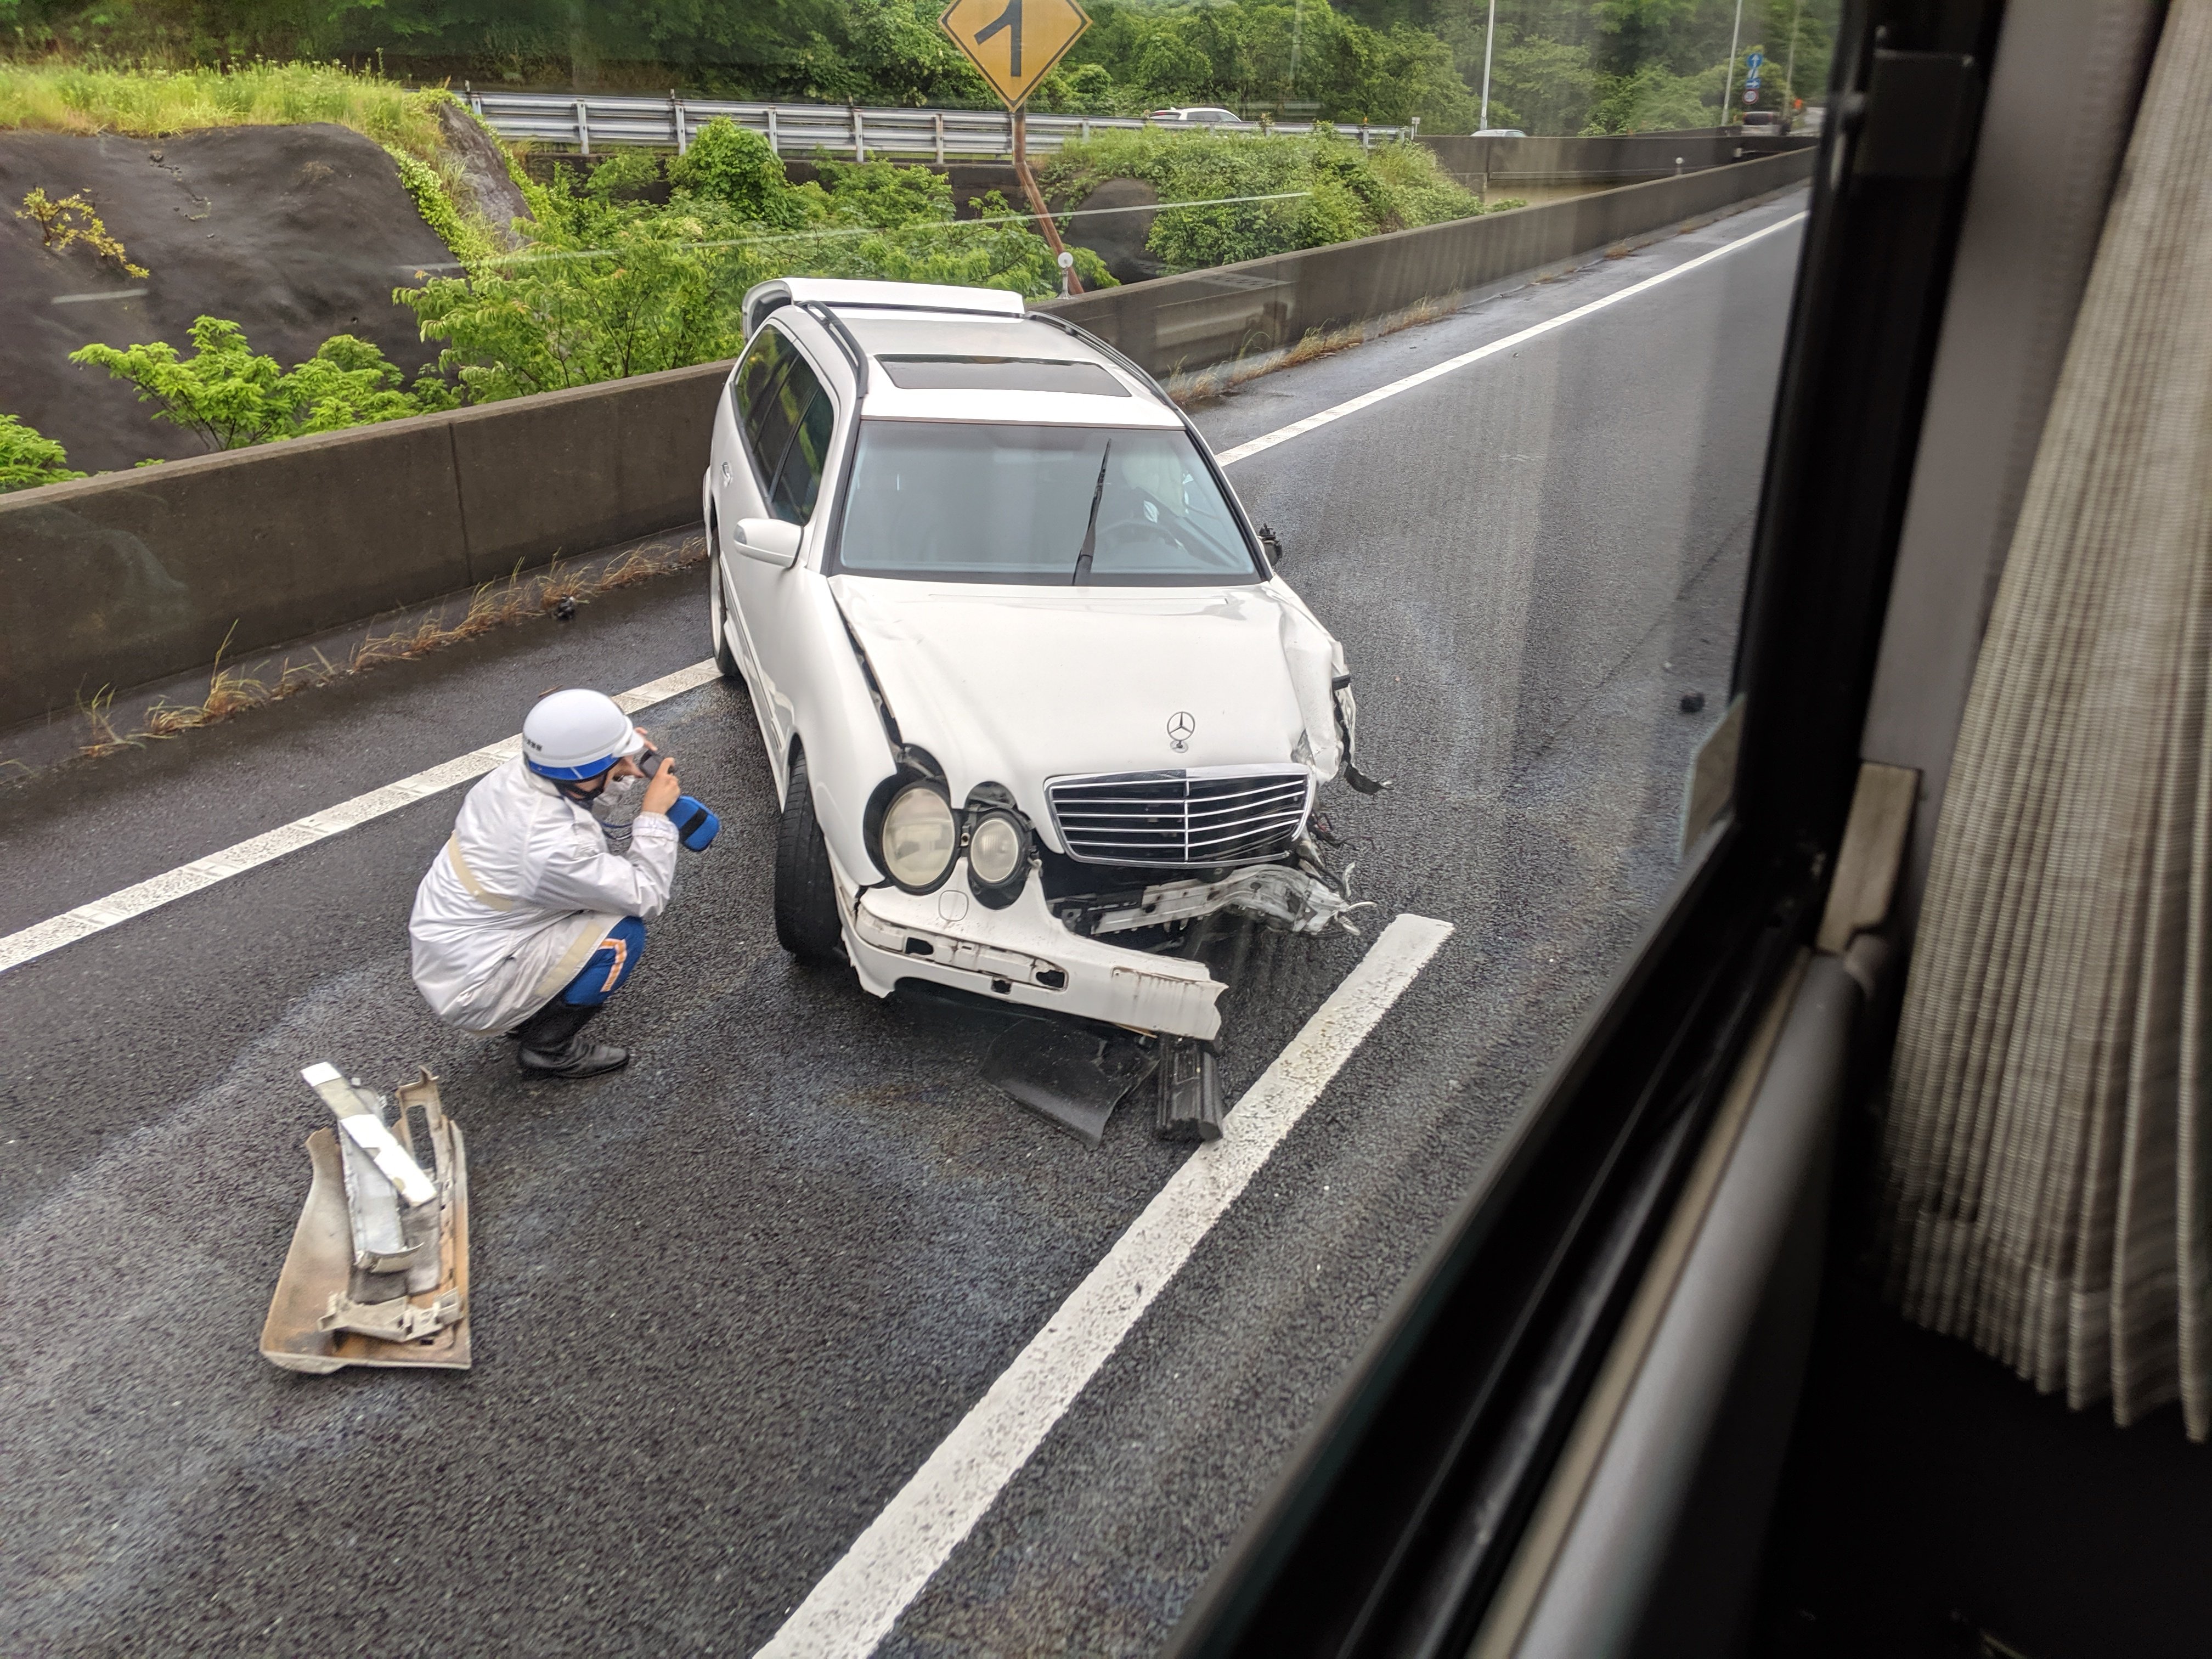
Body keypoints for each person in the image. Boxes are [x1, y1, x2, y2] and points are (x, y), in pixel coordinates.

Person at [409, 688, 684, 1078]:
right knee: (621, 937)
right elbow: (646, 894)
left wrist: (616, 772)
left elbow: (576, 804)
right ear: (585, 770)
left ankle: (529, 1005)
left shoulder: (518, 776)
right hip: (474, 986)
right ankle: (548, 1049)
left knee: (591, 907)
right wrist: (654, 818)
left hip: (454, 946)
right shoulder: (550, 850)